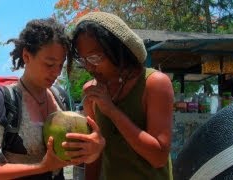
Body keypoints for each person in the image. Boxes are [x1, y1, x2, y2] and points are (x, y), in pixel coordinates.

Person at [0, 18, 105, 180]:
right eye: (49, 64)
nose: (57, 72)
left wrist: (94, 150)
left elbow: (77, 155)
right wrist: (41, 167)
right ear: (26, 56)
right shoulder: (3, 100)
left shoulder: (61, 98)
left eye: (61, 65)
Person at [71, 12, 174, 180]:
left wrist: (111, 111)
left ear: (118, 49)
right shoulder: (90, 92)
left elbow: (159, 157)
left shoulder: (154, 84)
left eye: (95, 57)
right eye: (83, 60)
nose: (89, 67)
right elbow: (94, 155)